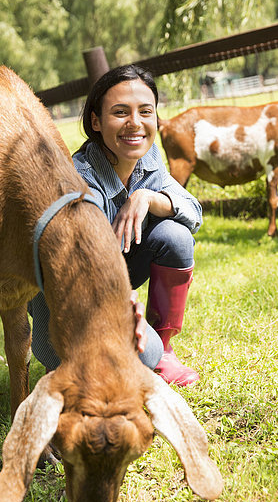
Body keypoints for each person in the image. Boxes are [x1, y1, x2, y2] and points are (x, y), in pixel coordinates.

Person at [30, 64, 202, 386]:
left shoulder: (148, 160)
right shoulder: (79, 179)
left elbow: (193, 212)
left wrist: (147, 198)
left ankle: (164, 350)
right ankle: (67, 359)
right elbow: (79, 270)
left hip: (115, 275)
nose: (134, 123)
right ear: (95, 121)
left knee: (175, 236)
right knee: (138, 359)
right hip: (71, 295)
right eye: (120, 112)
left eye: (145, 111)